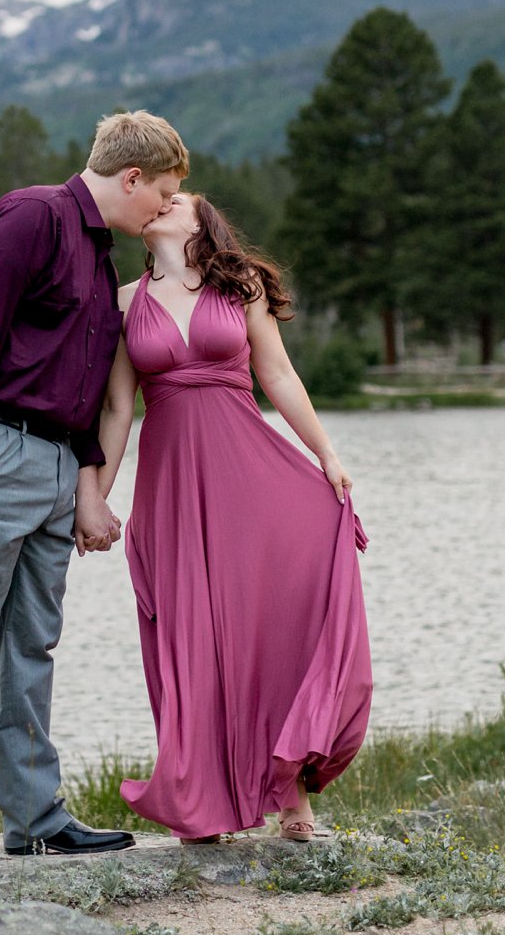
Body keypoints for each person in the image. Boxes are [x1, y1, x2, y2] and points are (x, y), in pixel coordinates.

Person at [0, 109, 189, 866]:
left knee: (31, 642)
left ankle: (34, 816)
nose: (161, 207)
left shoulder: (94, 255)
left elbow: (85, 383)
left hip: (53, 461)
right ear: (130, 177)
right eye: (162, 191)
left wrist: (82, 484)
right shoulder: (34, 214)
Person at [93, 188, 371, 843]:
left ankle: (289, 789)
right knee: (189, 640)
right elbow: (115, 410)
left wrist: (326, 453)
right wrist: (95, 497)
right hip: (171, 490)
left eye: (178, 197)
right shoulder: (124, 302)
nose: (163, 202)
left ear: (202, 219)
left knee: (264, 626)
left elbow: (277, 373)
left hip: (248, 478)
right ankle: (200, 800)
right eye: (156, 196)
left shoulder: (238, 284)